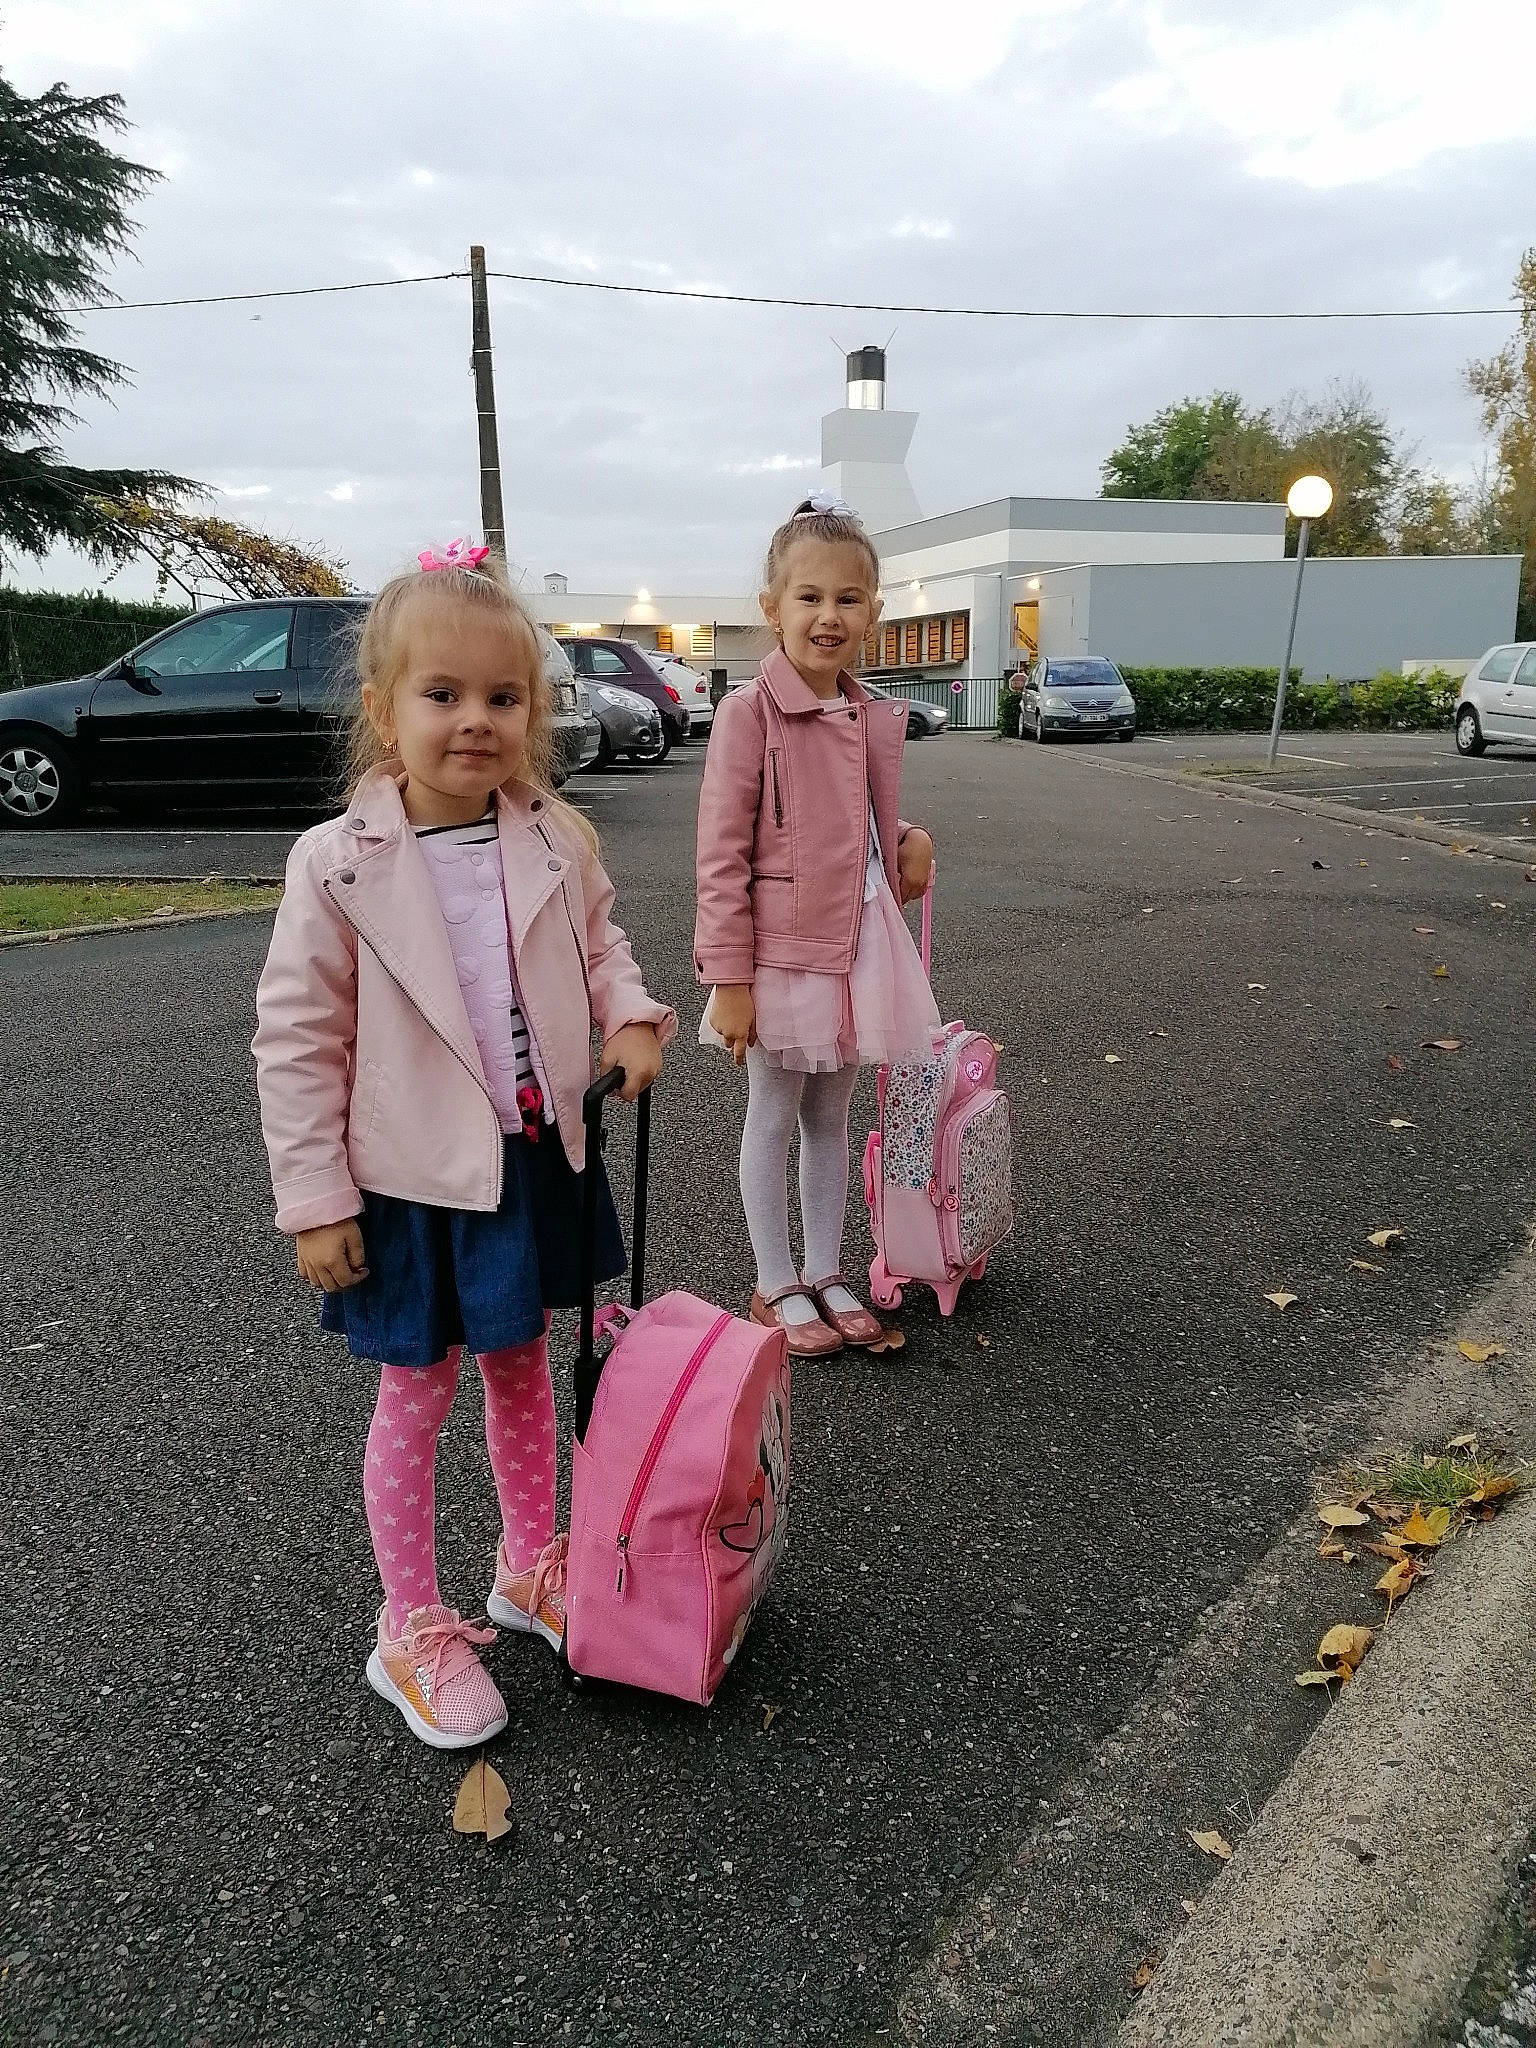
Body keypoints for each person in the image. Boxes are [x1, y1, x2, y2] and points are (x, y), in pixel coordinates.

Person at [252, 541, 673, 1749]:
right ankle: (410, 1623)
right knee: (417, 1388)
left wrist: (632, 1015)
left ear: (533, 715)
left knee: (525, 1369)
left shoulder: (551, 838)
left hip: (531, 1155)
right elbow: (297, 1040)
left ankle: (527, 1561)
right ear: (385, 711)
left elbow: (602, 947)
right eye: (443, 695)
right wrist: (315, 1198)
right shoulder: (336, 864)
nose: (475, 721)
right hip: (410, 1179)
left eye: (503, 698)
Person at [695, 494, 937, 1360]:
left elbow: (861, 823)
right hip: (781, 952)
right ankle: (774, 1280)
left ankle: (828, 1270)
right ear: (772, 609)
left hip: (857, 941)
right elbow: (722, 856)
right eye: (808, 597)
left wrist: (906, 839)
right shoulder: (747, 714)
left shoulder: (868, 709)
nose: (827, 617)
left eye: (847, 599)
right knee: (774, 1108)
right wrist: (728, 978)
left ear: (874, 610)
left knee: (832, 1115)